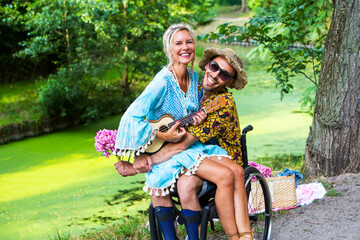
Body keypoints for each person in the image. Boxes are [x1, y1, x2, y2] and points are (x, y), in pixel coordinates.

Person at [113, 25, 241, 240]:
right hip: (169, 148)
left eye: (189, 42)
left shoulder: (193, 77)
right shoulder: (162, 82)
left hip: (191, 147)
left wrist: (198, 116)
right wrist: (160, 135)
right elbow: (130, 118)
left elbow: (189, 116)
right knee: (158, 186)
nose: (185, 47)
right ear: (168, 48)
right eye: (178, 43)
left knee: (187, 184)